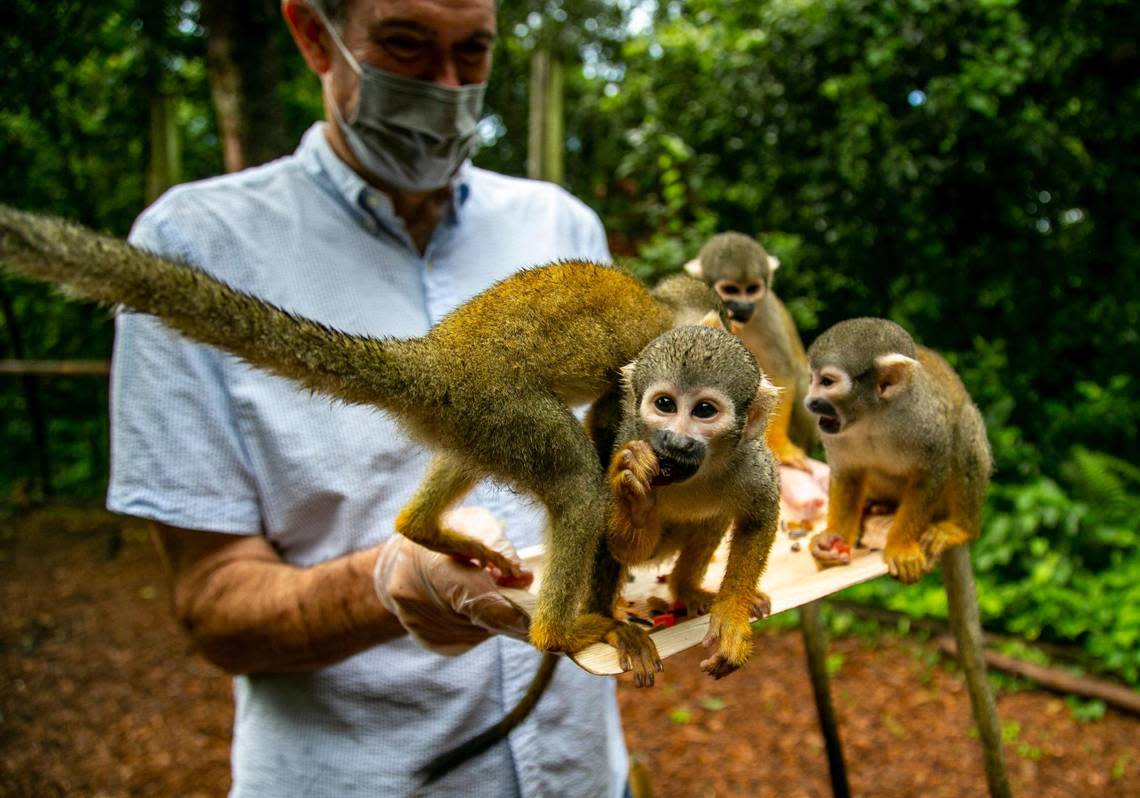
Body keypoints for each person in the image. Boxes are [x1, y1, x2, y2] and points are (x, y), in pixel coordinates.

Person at [106, 0, 628, 795]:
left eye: (474, 52)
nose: (448, 85)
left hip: (582, 773)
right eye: (407, 45)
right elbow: (211, 605)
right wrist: (389, 583)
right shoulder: (194, 248)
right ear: (315, 36)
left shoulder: (560, 224)